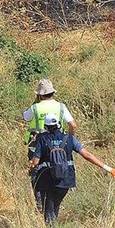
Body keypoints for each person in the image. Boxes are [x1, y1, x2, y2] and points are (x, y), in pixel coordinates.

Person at [29, 115, 115, 224]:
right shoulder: (69, 138)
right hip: (66, 180)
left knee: (48, 209)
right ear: (59, 125)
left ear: (46, 126)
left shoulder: (43, 139)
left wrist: (31, 169)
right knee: (55, 205)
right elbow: (87, 155)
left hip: (47, 180)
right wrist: (109, 169)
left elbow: (35, 162)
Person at [23, 78, 77, 209]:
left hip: (36, 144)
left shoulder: (35, 107)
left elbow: (25, 117)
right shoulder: (61, 107)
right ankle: (55, 200)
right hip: (58, 145)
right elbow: (73, 125)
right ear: (53, 92)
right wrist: (68, 139)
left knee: (36, 171)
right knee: (57, 168)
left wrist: (35, 102)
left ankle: (40, 202)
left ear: (39, 94)